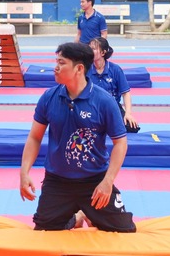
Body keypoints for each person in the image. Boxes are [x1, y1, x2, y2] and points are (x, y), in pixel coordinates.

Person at [19, 42, 136, 233]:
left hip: (94, 181)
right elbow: (34, 137)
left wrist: (108, 181)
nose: (55, 67)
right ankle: (77, 217)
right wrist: (24, 173)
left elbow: (120, 143)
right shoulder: (49, 97)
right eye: (56, 61)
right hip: (57, 182)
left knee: (125, 231)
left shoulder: (104, 101)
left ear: (79, 68)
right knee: (44, 233)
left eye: (61, 63)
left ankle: (88, 213)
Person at [87, 37, 140, 133]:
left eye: (93, 49)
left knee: (131, 127)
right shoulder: (85, 69)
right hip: (92, 108)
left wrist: (128, 114)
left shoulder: (115, 69)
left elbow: (126, 93)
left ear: (103, 52)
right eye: (89, 48)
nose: (89, 51)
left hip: (112, 108)